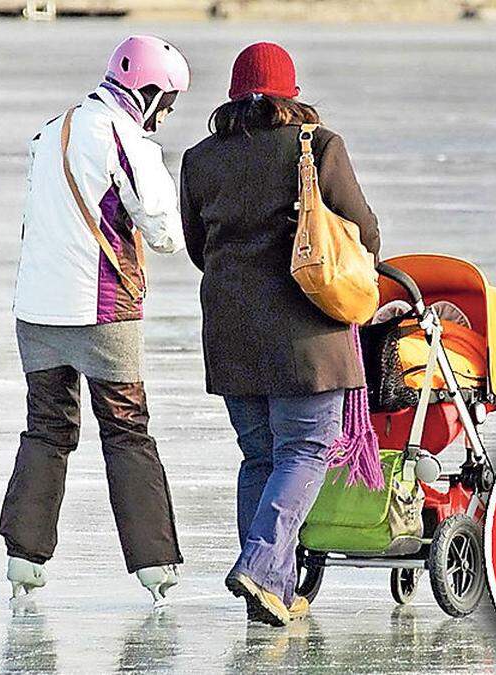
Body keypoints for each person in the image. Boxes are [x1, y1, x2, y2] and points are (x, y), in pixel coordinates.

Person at [179, 42, 380, 626]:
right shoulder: (316, 146)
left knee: (259, 456)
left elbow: (199, 247)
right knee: (305, 450)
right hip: (305, 334)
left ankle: (273, 590)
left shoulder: (199, 158)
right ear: (291, 95)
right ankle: (262, 567)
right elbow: (362, 230)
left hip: (230, 330)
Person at [0, 35, 189, 605]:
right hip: (103, 310)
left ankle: (23, 558)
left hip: (35, 311)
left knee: (47, 429)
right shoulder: (124, 137)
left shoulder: (49, 130)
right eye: (169, 102)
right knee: (127, 430)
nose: (167, 116)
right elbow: (164, 230)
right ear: (148, 91)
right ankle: (155, 566)